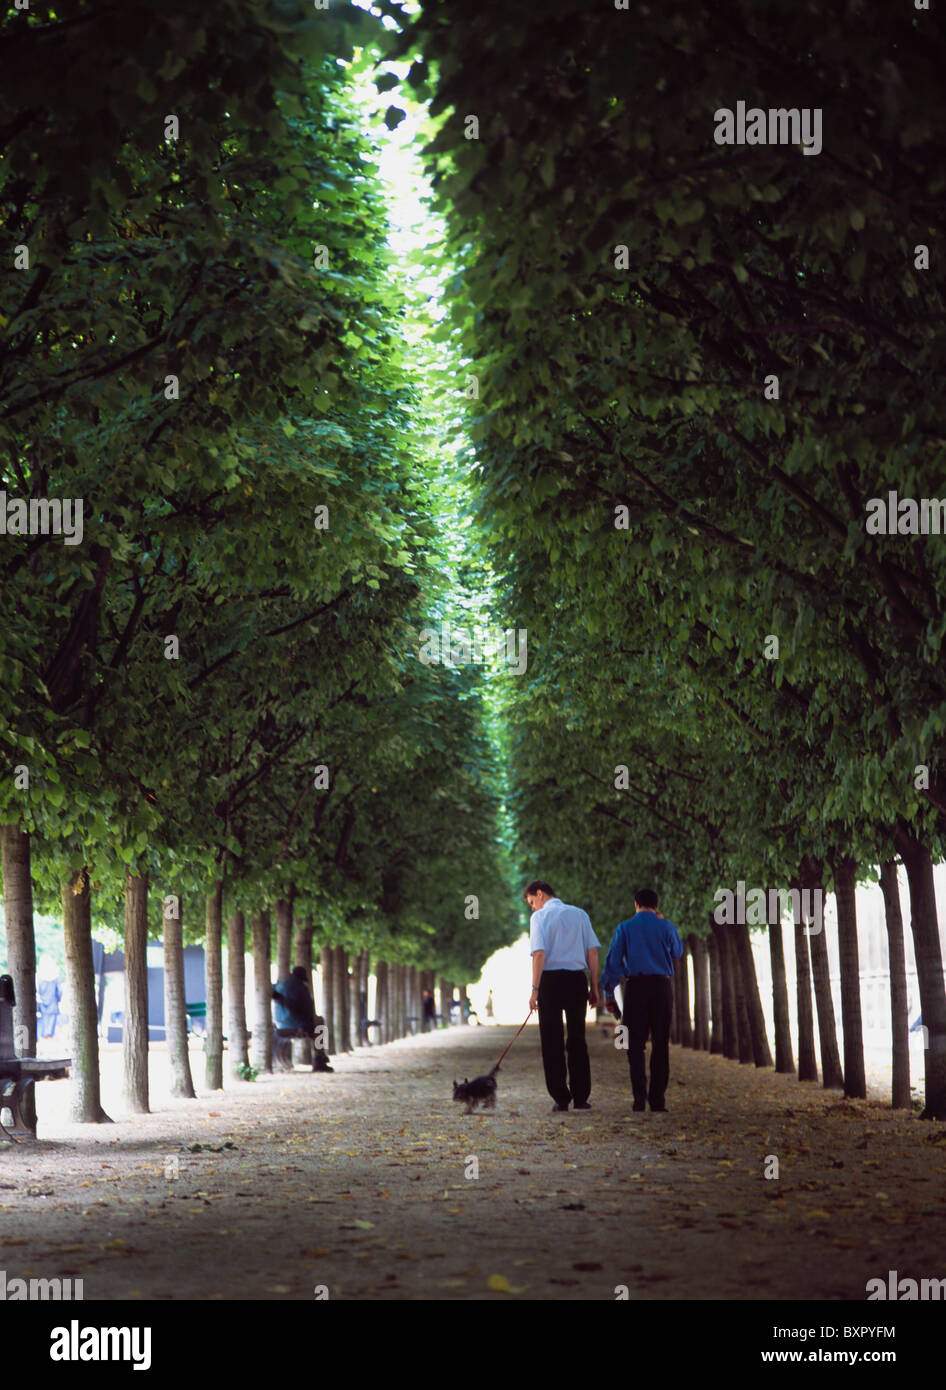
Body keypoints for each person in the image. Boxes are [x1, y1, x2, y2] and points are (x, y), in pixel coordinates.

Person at [600, 889, 683, 1112]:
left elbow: (613, 963)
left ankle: (639, 1098)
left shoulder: (625, 928)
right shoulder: (667, 926)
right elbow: (677, 951)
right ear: (657, 906)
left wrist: (609, 995)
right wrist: (663, 926)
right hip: (661, 987)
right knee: (660, 1044)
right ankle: (657, 1100)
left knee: (634, 1045)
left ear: (636, 904)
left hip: (635, 988)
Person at [524, 879, 599, 1112]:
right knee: (577, 1038)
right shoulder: (580, 915)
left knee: (552, 1039)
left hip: (551, 982)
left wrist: (534, 990)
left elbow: (539, 954)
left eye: (532, 902)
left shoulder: (539, 918)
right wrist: (594, 987)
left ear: (540, 894)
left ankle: (560, 1097)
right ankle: (581, 1097)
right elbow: (593, 952)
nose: (533, 907)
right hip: (577, 980)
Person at [271, 966, 333, 1072]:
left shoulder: (280, 984)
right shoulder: (300, 987)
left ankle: (321, 1057)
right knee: (320, 1026)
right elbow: (307, 1010)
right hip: (295, 1025)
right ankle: (320, 1058)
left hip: (279, 1025)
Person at [36, 955, 62, 1041]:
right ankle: (49, 1038)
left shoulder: (39, 976)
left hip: (42, 1004)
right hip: (53, 1003)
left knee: (43, 1023)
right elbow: (59, 990)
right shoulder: (55, 976)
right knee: (51, 1026)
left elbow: (37, 989)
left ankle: (43, 1039)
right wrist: (58, 999)